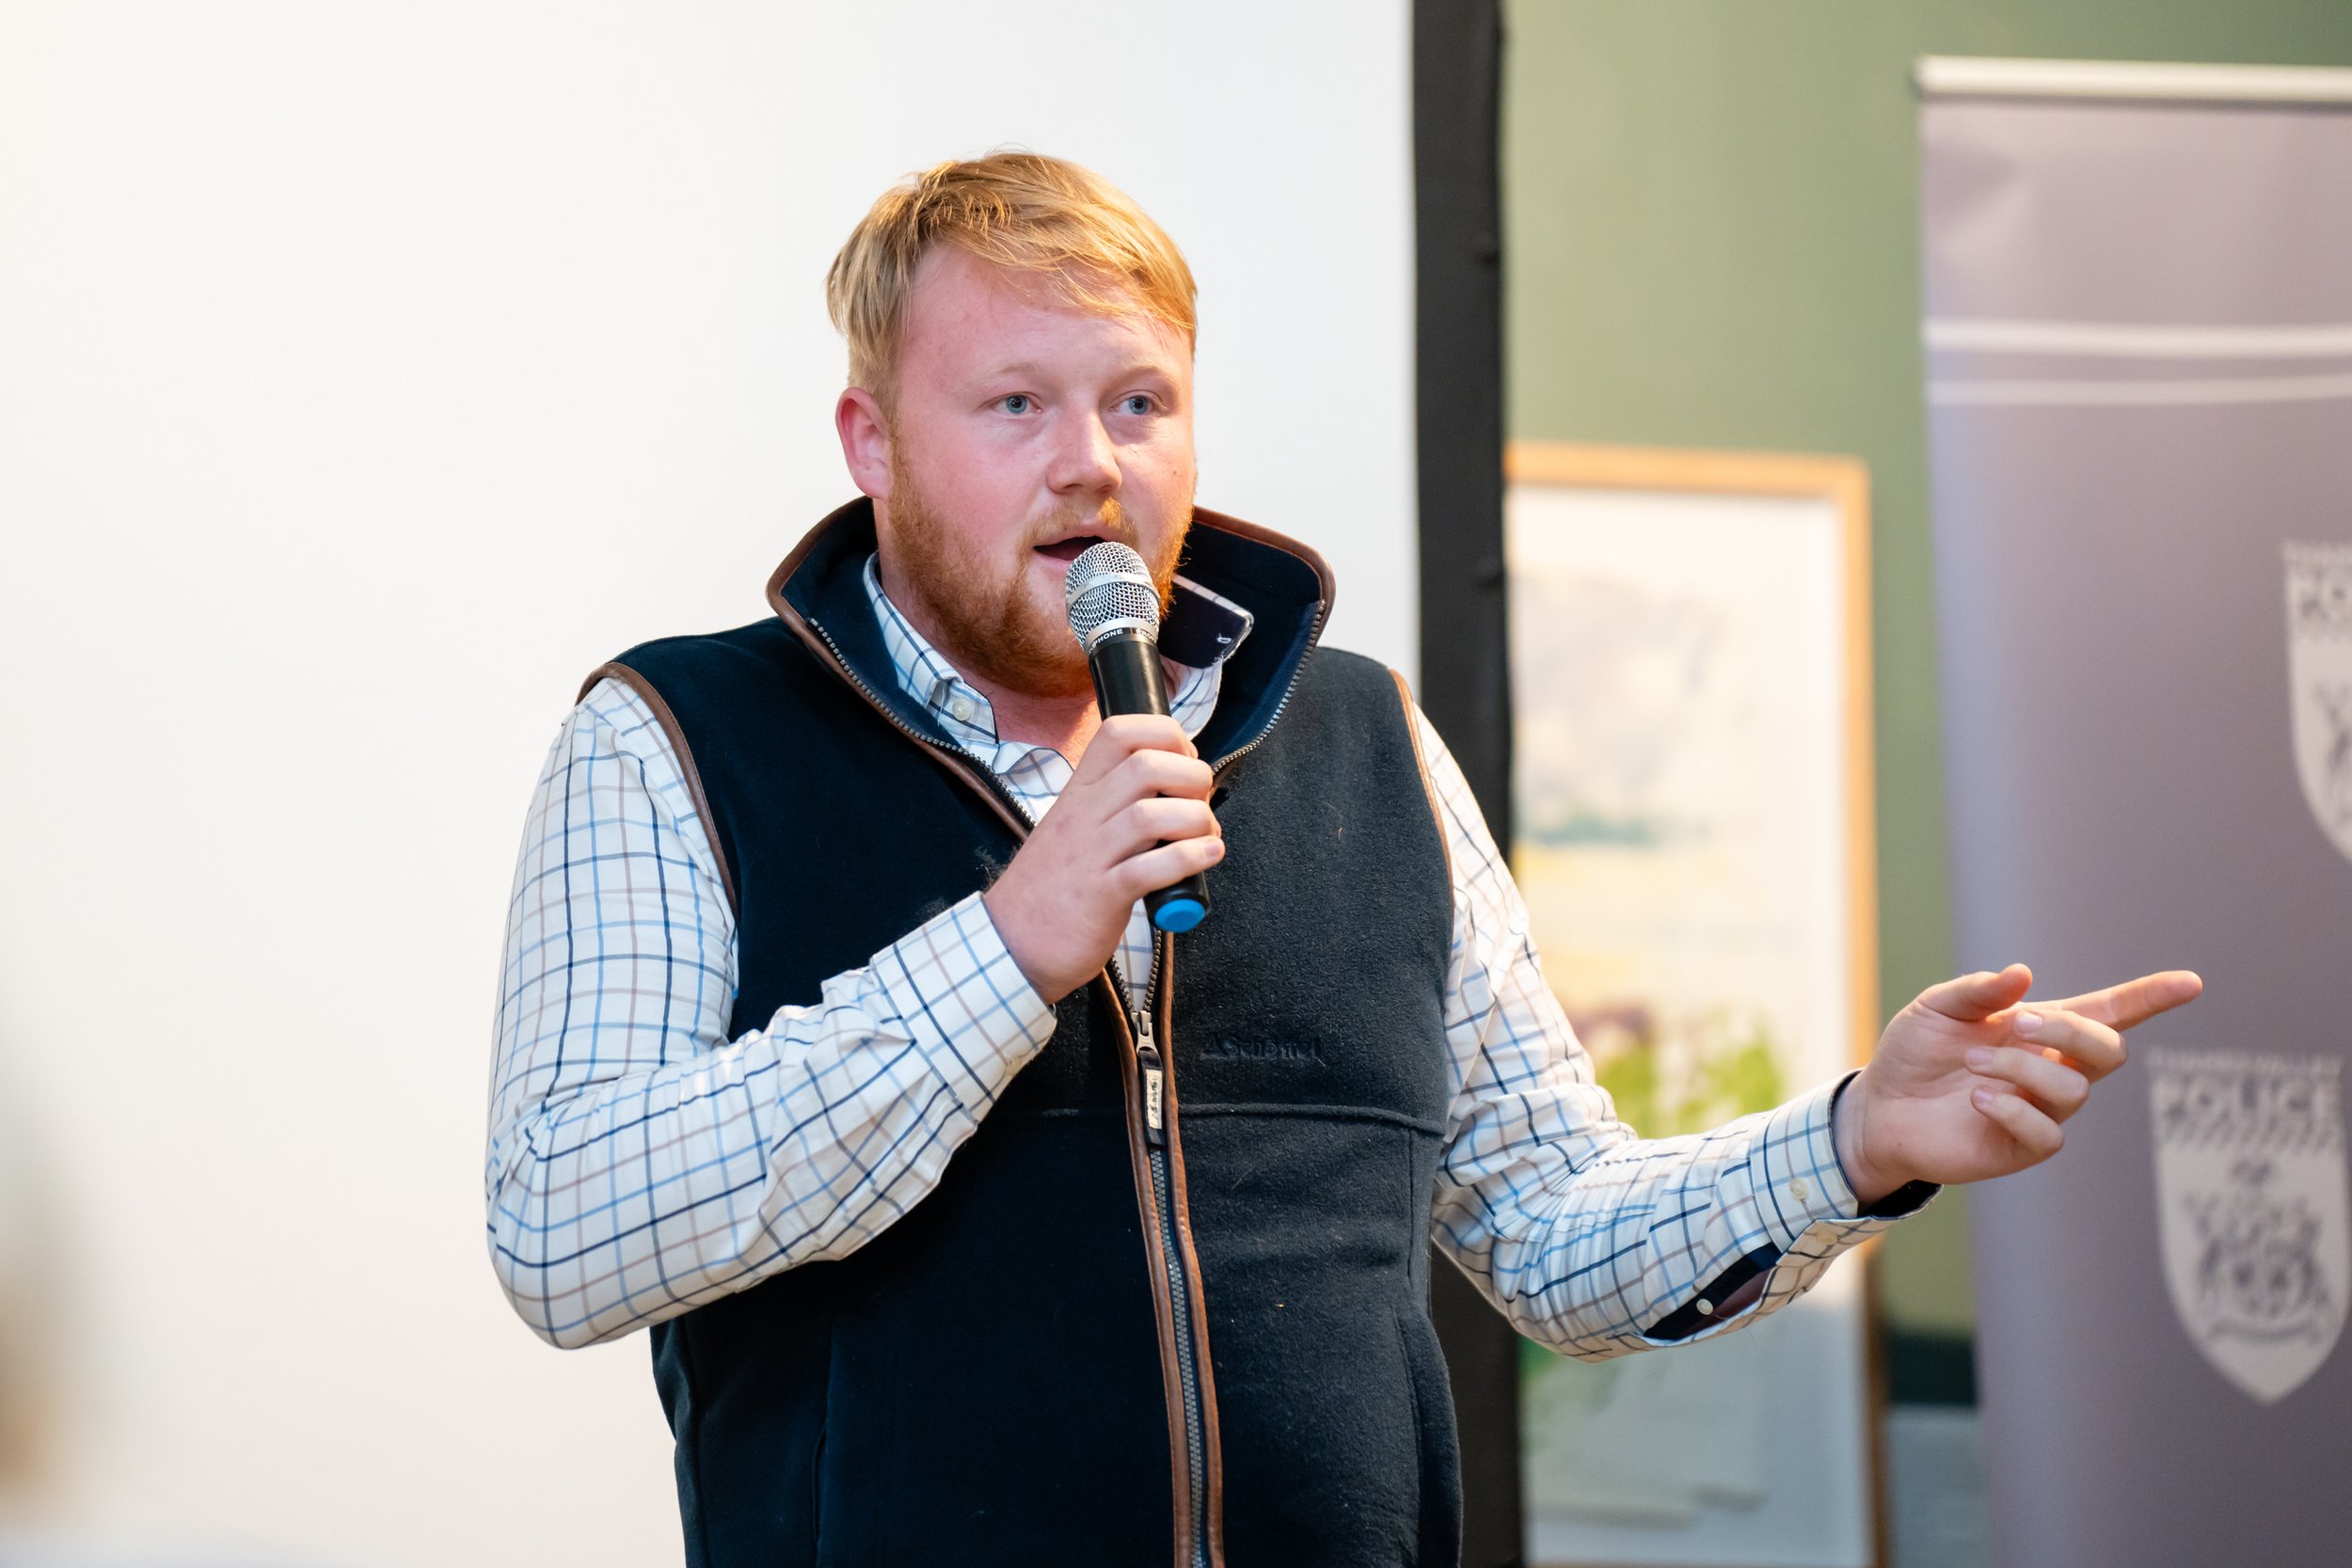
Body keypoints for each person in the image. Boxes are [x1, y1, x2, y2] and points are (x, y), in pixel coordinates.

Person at [484, 152, 2199, 1568]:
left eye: (1138, 400)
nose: (1092, 464)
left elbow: (1552, 1233)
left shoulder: (1364, 742)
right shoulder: (678, 740)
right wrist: (1006, 951)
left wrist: (1853, 1142)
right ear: (873, 445)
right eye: (1015, 403)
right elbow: (566, 1232)